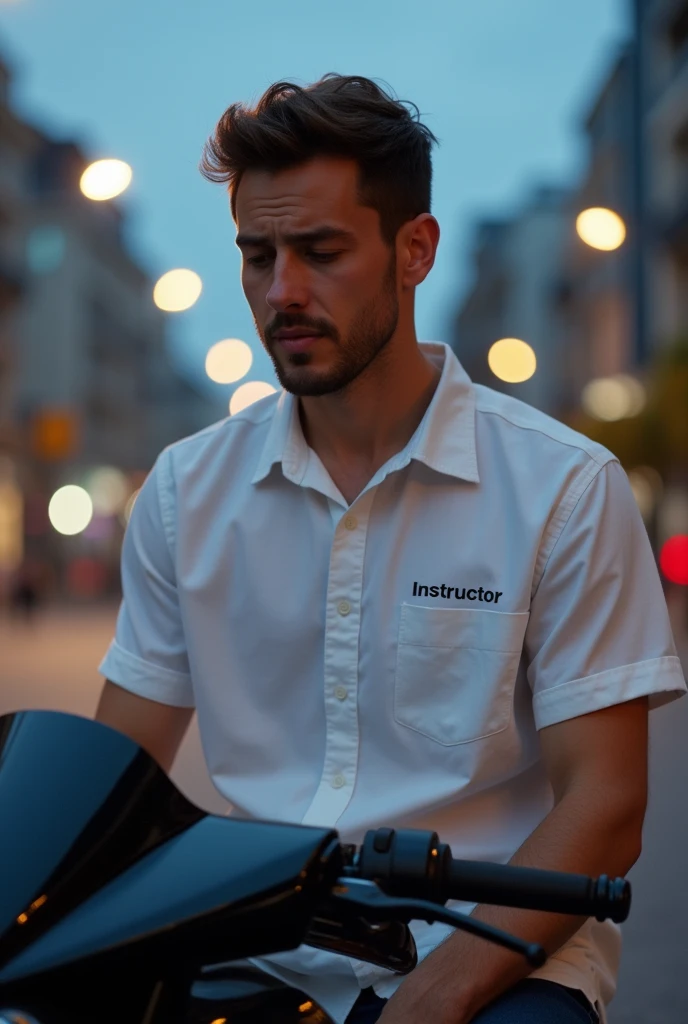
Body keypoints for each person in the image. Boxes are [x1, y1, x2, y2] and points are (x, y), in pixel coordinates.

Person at [95, 74, 686, 1024]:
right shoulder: (185, 489)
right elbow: (106, 779)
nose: (281, 292)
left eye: (321, 252)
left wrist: (429, 1001)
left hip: (496, 952)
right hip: (262, 949)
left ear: (414, 251)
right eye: (258, 255)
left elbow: (608, 803)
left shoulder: (562, 487)